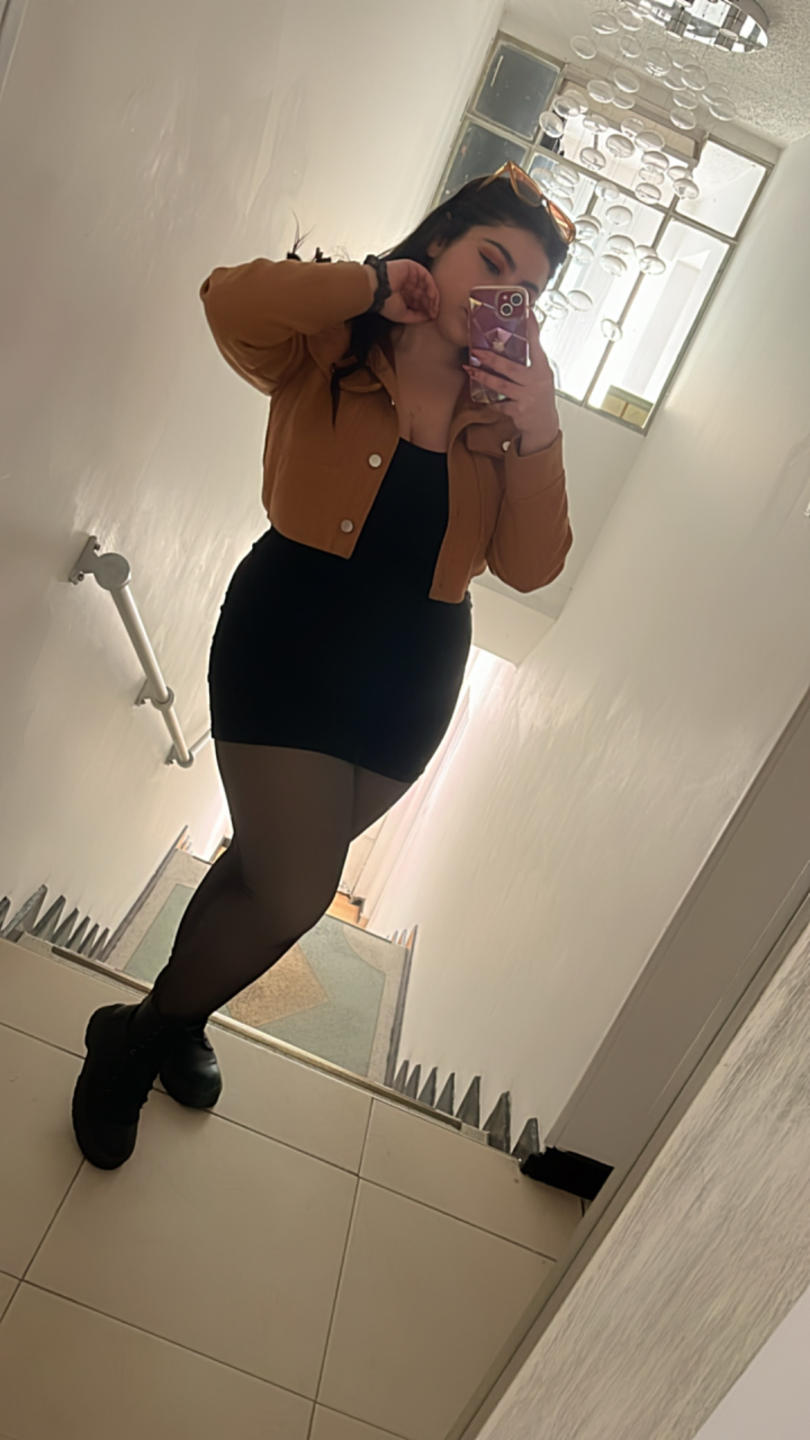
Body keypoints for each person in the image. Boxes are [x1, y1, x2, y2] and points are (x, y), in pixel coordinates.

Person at [72, 161, 575, 1170]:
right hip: (290, 639)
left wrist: (540, 428)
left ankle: (179, 1017)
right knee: (297, 890)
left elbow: (531, 566)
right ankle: (133, 1039)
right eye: (489, 260)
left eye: (524, 288)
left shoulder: (500, 412)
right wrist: (372, 284)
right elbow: (228, 302)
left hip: (410, 679)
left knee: (262, 868)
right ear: (439, 241)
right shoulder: (335, 338)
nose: (501, 294)